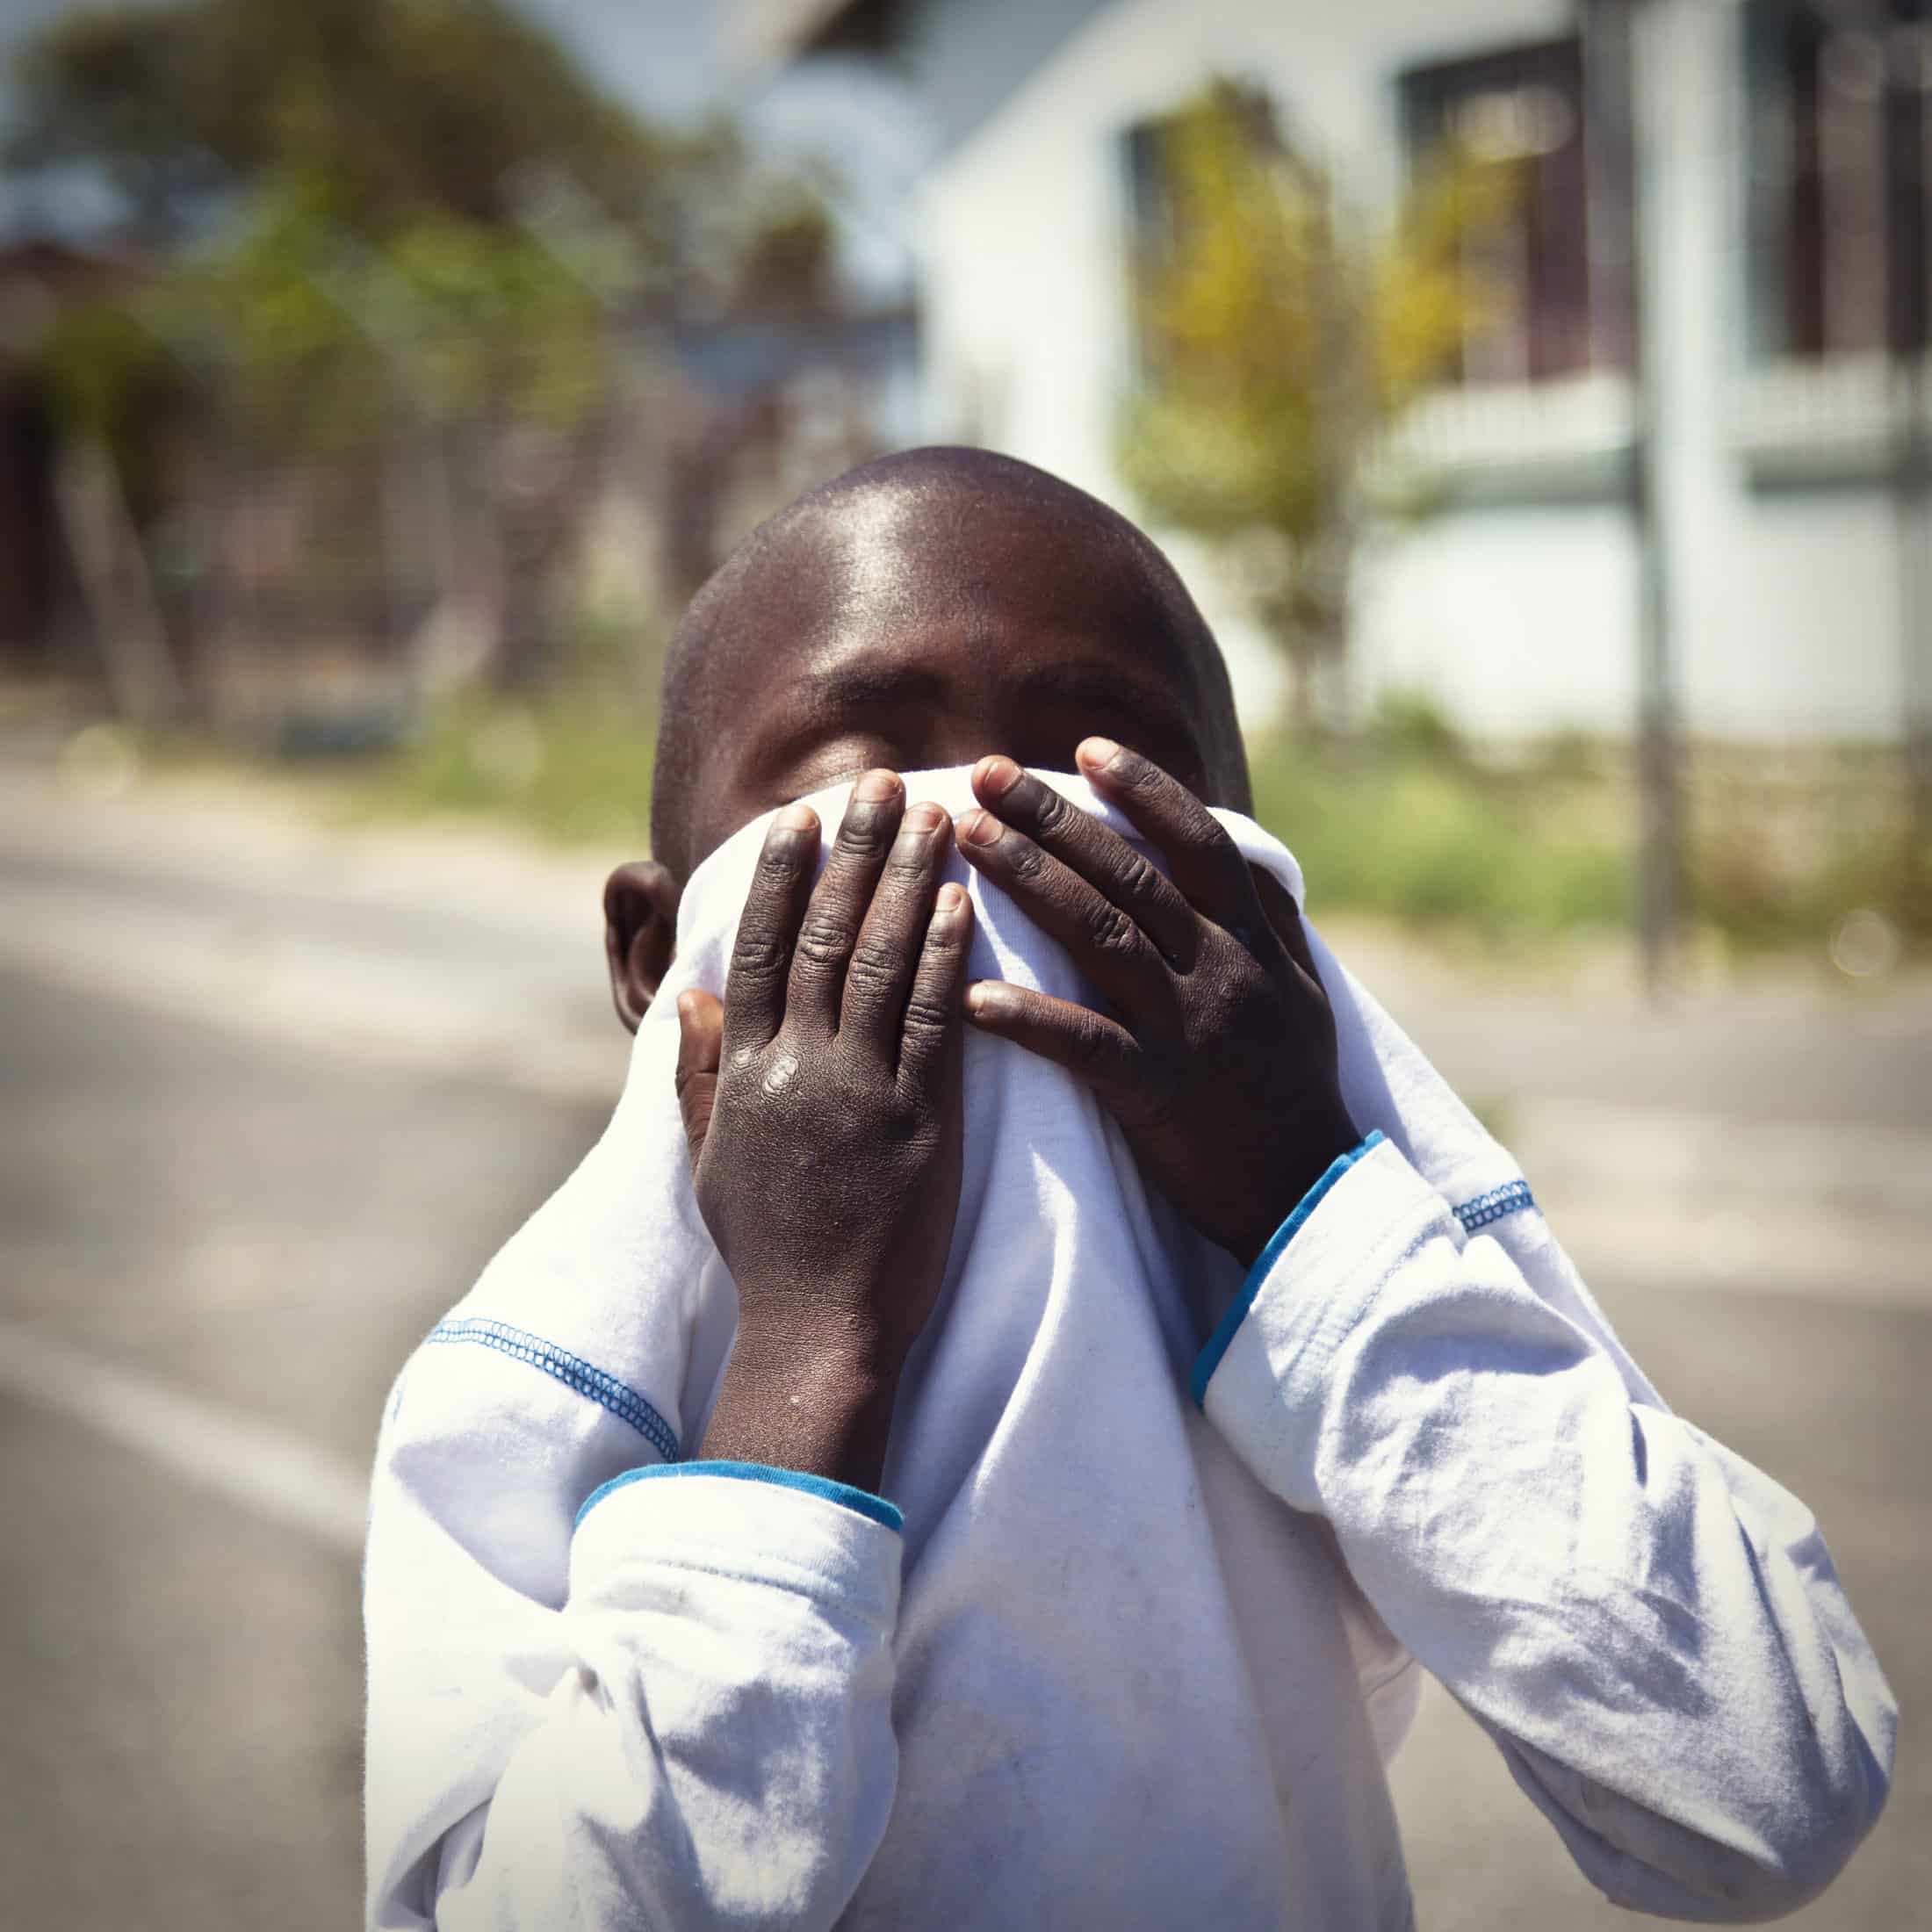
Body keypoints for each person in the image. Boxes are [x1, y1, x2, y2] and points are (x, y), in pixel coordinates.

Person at [364, 448, 1894, 1929]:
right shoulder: (527, 1395)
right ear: (656, 957)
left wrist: (1303, 1200)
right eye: (864, 782)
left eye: (1097, 776)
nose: (992, 840)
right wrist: (806, 1347)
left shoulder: (1334, 1204)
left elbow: (1765, 1785)